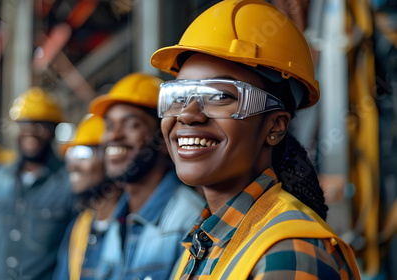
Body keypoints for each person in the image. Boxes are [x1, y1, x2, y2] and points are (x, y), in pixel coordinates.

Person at [150, 0, 361, 279]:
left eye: (221, 96)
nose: (187, 115)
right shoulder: (203, 242)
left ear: (275, 125)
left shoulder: (289, 251)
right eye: (177, 97)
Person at [61, 72, 205, 280]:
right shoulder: (117, 221)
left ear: (164, 138)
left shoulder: (188, 222)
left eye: (131, 125)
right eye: (109, 126)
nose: (114, 136)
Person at [0, 87, 76, 280]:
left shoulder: (69, 183)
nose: (31, 131)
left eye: (41, 125)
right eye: (25, 124)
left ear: (54, 131)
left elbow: (72, 252)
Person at [53, 114, 122, 280]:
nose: (72, 164)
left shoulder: (132, 226)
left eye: (83, 154)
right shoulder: (79, 227)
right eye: (70, 154)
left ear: (111, 157)